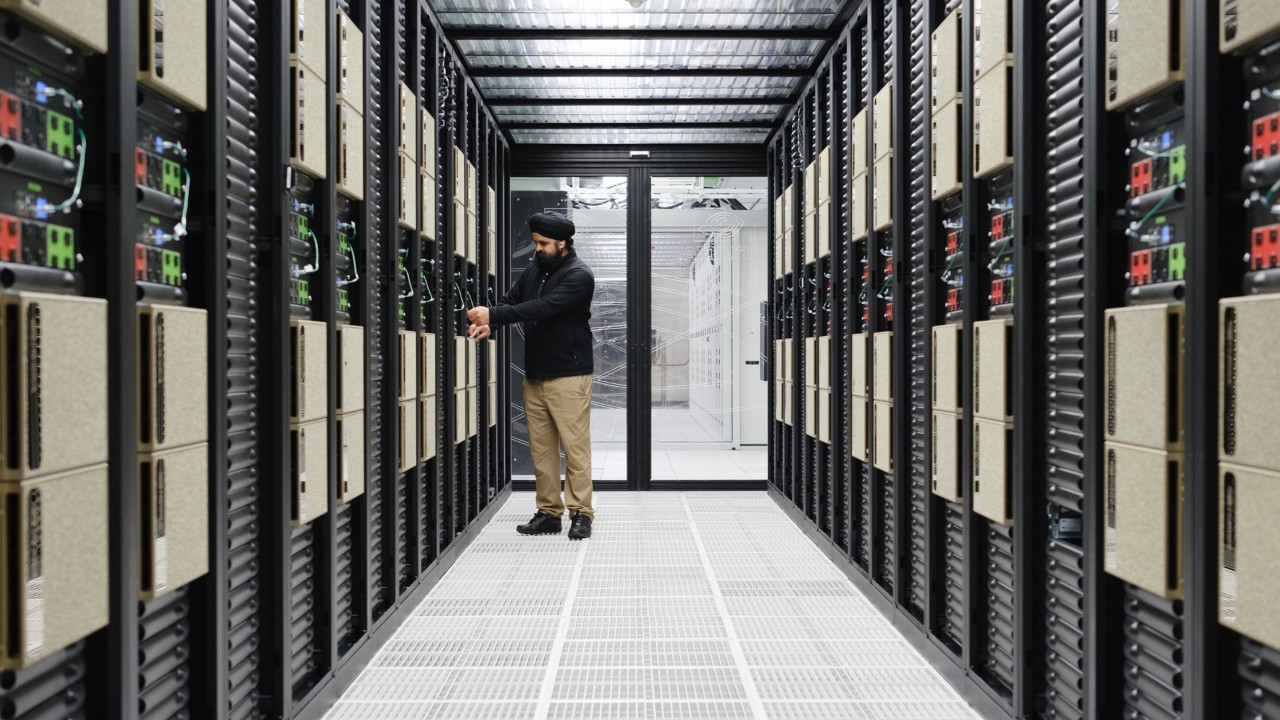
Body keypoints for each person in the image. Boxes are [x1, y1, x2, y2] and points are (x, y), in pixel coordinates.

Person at [466, 211, 596, 540]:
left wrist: (493, 314)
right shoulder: (534, 269)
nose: (537, 248)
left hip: (569, 374)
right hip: (536, 374)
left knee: (574, 448)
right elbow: (513, 300)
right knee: (542, 449)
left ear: (562, 243)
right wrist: (489, 323)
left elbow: (544, 307)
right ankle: (549, 513)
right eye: (535, 242)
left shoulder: (579, 275)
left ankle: (582, 514)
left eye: (543, 243)